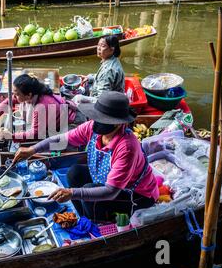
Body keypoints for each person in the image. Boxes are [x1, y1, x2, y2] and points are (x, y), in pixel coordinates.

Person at [13, 91, 158, 222]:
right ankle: (82, 213)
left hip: (135, 195)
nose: (97, 122)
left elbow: (111, 191)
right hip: (108, 180)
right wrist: (32, 149)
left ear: (118, 123)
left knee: (89, 193)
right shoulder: (92, 127)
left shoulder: (127, 147)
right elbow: (63, 140)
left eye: (103, 119)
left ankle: (95, 221)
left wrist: (72, 193)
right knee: (75, 173)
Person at [0, 74, 86, 142]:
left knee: (50, 141)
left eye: (16, 94)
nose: (14, 96)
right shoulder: (33, 92)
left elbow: (35, 133)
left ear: (29, 95)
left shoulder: (41, 107)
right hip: (59, 116)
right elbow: (12, 100)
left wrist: (12, 136)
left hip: (73, 123)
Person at [73, 35, 125, 104]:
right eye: (98, 45)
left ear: (112, 49)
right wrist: (89, 77)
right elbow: (103, 78)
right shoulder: (113, 60)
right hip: (114, 95)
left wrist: (80, 98)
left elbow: (102, 99)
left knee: (76, 98)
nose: (99, 48)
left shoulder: (108, 70)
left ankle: (63, 113)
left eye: (103, 46)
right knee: (88, 81)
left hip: (109, 104)